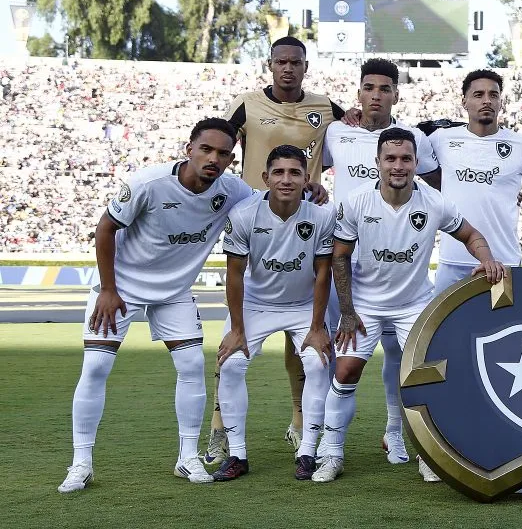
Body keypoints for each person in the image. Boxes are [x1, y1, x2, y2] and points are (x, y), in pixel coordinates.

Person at [58, 118, 256, 493]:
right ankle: (81, 463)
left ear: (231, 159)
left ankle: (187, 457)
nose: (213, 158)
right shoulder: (148, 184)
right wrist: (108, 289)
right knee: (96, 366)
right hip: (121, 287)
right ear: (189, 149)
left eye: (223, 153)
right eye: (206, 149)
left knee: (192, 365)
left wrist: (310, 191)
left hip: (174, 292)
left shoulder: (233, 191)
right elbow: (105, 228)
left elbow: (268, 203)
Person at [312, 128, 505, 484]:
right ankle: (331, 452)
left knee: (427, 378)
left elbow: (471, 235)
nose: (398, 166)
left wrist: (487, 258)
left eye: (405, 159)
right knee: (346, 372)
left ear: (416, 163)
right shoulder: (356, 202)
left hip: (414, 305)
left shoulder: (435, 201)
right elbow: (340, 258)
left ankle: (429, 455)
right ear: (377, 162)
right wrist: (348, 312)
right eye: (390, 159)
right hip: (366, 304)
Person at [206, 36, 341, 464]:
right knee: (232, 346)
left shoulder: (326, 108)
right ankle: (220, 430)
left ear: (305, 66)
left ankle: (300, 422)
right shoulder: (247, 104)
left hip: (301, 217)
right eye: (280, 61)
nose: (288, 68)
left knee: (302, 347)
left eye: (295, 62)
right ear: (270, 65)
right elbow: (218, 141)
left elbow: (355, 135)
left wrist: (317, 183)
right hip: (255, 217)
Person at [321, 58, 439, 465]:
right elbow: (309, 169)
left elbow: (434, 185)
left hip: (396, 269)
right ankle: (320, 440)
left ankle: (395, 432)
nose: (376, 95)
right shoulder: (337, 130)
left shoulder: (412, 138)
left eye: (385, 88)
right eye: (369, 88)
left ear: (395, 95)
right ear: (358, 92)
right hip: (345, 264)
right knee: (339, 357)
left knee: (400, 356)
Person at [210, 145, 336, 482]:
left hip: (303, 306)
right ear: (266, 178)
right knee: (230, 364)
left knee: (317, 363)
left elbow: (323, 273)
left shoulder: (322, 217)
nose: (286, 179)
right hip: (255, 305)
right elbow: (234, 274)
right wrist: (237, 330)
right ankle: (237, 454)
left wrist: (317, 327)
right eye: (278, 173)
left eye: (294, 173)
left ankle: (308, 452)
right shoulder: (243, 215)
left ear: (306, 178)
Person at [427, 69, 522, 292]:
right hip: (453, 260)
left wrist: (510, 187)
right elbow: (414, 162)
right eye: (478, 95)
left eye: (493, 95)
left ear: (501, 102)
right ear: (464, 101)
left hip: (504, 260)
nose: (487, 100)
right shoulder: (441, 139)